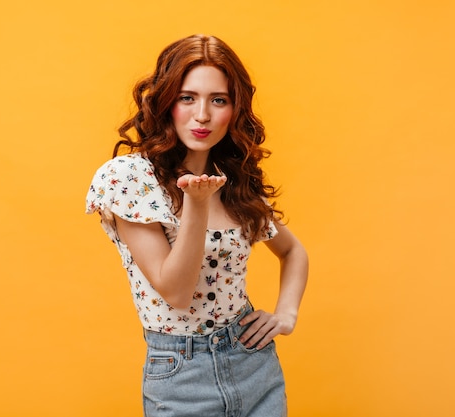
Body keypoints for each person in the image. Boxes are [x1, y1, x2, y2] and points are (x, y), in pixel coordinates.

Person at [86, 34, 308, 417]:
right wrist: (197, 204)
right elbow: (176, 291)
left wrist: (285, 314)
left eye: (218, 100)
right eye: (187, 97)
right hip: (181, 376)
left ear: (234, 110)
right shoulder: (129, 179)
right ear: (165, 102)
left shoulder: (234, 180)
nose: (202, 115)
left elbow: (292, 251)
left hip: (254, 363)